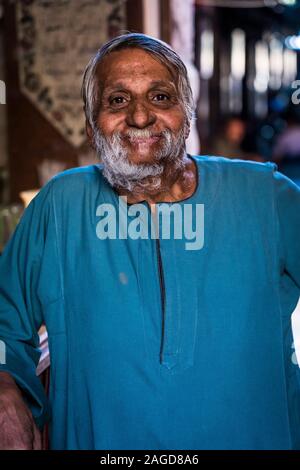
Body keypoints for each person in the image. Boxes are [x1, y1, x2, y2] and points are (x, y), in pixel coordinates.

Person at [0, 33, 300, 450]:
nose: (140, 117)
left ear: (187, 116)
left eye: (160, 97)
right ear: (91, 126)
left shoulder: (265, 196)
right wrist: (4, 388)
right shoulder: (61, 205)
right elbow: (4, 319)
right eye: (118, 101)